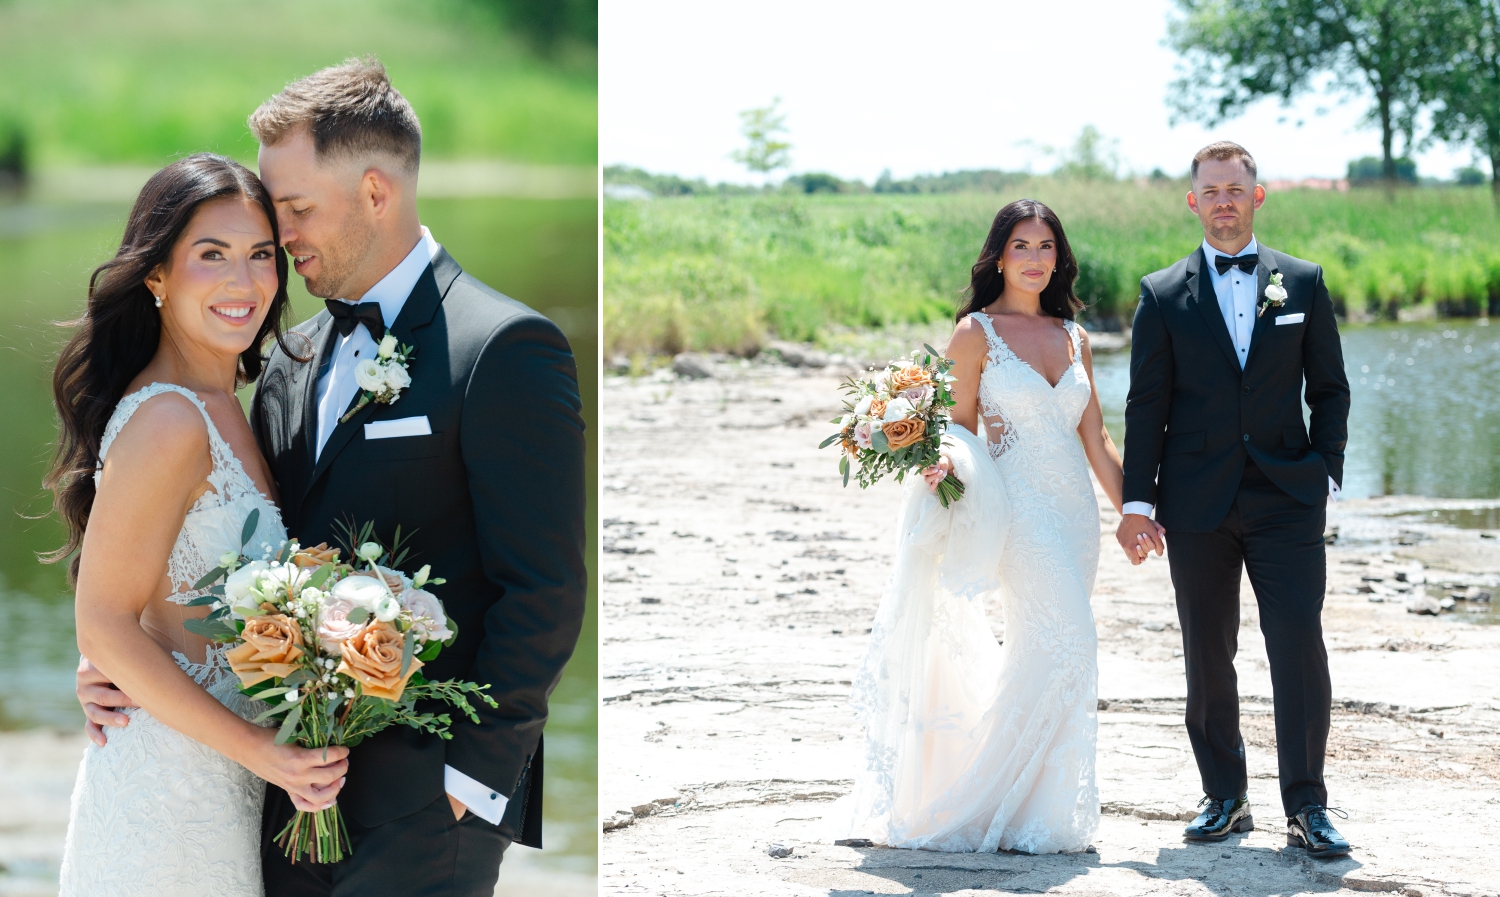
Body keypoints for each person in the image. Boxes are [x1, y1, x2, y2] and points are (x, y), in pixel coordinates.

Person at [76, 58, 588, 895]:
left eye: (295, 210)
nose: (281, 237)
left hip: (427, 811)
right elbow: (215, 547)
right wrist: (120, 651)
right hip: (279, 803)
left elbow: (546, 588)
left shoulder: (501, 348)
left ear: (375, 192)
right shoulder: (287, 359)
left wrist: (474, 785)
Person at [50, 153, 350, 896]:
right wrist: (262, 751)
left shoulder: (230, 405)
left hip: (225, 787)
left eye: (260, 255)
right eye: (211, 255)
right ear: (156, 275)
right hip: (166, 798)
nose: (243, 283)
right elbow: (103, 623)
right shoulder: (169, 420)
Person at [828, 199, 1159, 853]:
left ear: (1059, 259)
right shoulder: (975, 333)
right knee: (1072, 643)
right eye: (1021, 247)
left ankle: (1037, 808)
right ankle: (984, 802)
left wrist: (1134, 511)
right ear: (999, 258)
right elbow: (959, 430)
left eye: (1045, 247)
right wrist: (943, 464)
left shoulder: (1075, 336)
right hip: (1017, 512)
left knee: (1041, 652)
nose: (1034, 259)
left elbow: (1096, 439)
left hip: (1075, 517)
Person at [1116, 141, 1352, 858]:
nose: (1224, 201)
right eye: (1212, 191)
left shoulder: (1302, 282)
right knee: (1207, 651)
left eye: (1235, 189)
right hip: (1196, 503)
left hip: (1287, 497)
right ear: (1194, 202)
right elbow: (1145, 406)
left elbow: (1331, 389)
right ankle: (1225, 795)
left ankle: (1307, 806)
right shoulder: (1162, 294)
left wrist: (1326, 470)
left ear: (1258, 196)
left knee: (1298, 646)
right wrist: (1137, 502)